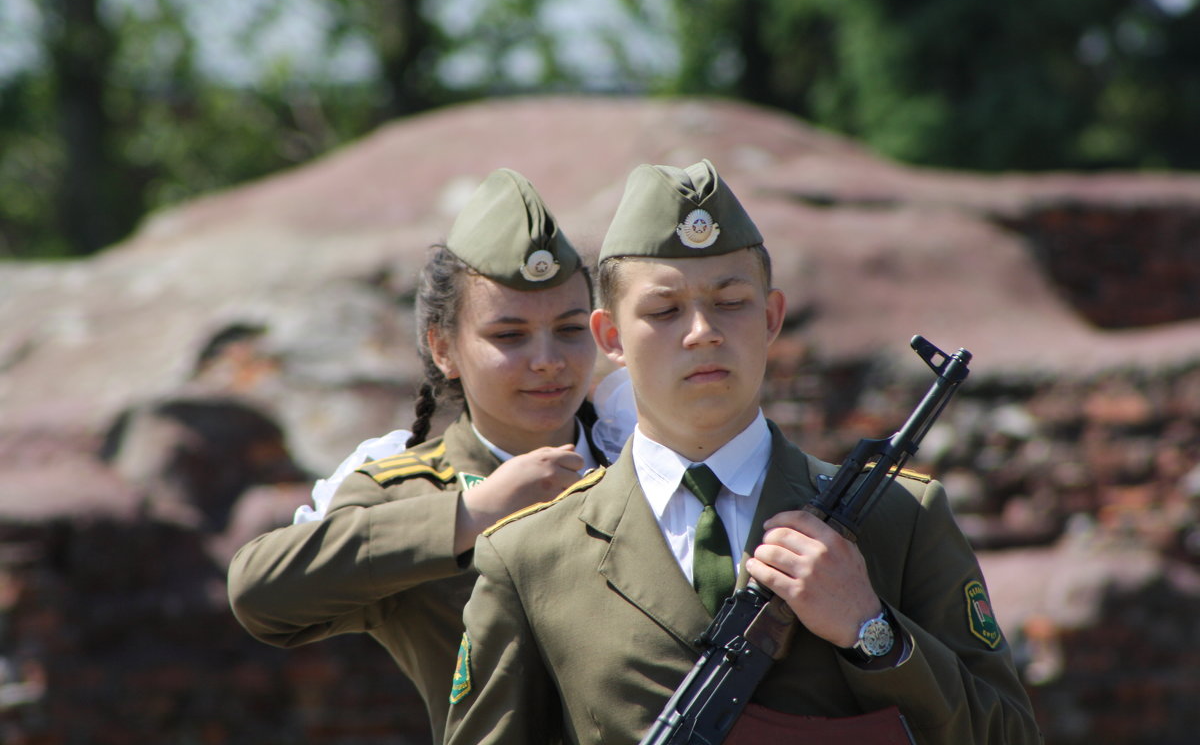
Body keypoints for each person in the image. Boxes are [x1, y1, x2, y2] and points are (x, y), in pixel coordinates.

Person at [443, 159, 1042, 744]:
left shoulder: (901, 520)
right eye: (663, 310)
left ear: (772, 317)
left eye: (730, 302)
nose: (702, 331)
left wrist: (872, 630)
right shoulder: (530, 557)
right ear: (610, 337)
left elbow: (1008, 733)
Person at [227, 168, 612, 744]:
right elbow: (260, 595)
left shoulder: (644, 464)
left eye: (570, 328)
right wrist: (468, 516)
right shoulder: (408, 491)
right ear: (443, 347)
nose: (548, 359)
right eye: (509, 336)